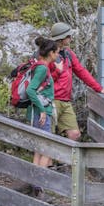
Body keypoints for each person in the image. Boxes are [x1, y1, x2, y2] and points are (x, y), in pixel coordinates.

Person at [48, 22, 104, 141]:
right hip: (50, 100)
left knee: (75, 134)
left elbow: (81, 72)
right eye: (68, 36)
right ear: (61, 39)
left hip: (65, 101)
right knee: (48, 138)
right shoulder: (48, 54)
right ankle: (48, 160)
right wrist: (58, 71)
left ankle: (70, 160)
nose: (71, 38)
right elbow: (44, 79)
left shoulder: (68, 53)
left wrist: (99, 88)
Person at [26, 36, 59, 182]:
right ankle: (39, 183)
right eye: (57, 53)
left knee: (39, 149)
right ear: (51, 53)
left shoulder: (40, 66)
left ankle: (35, 182)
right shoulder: (42, 68)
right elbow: (30, 90)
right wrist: (43, 110)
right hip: (41, 113)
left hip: (38, 112)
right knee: (47, 149)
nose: (57, 55)